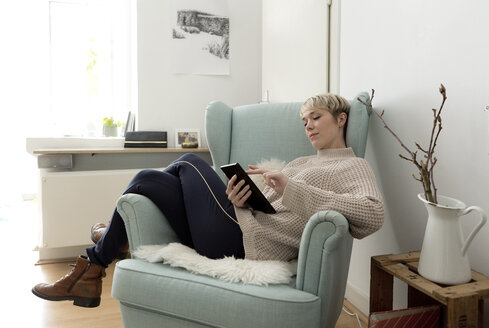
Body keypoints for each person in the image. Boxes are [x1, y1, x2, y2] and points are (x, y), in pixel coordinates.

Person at [32, 93, 384, 308]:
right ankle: (94, 268)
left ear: (341, 119)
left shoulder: (352, 166)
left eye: (316, 118)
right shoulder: (301, 162)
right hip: (238, 221)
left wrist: (292, 188)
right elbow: (270, 208)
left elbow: (372, 214)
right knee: (145, 179)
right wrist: (240, 196)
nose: (308, 126)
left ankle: (105, 249)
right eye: (304, 120)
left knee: (187, 162)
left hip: (246, 243)